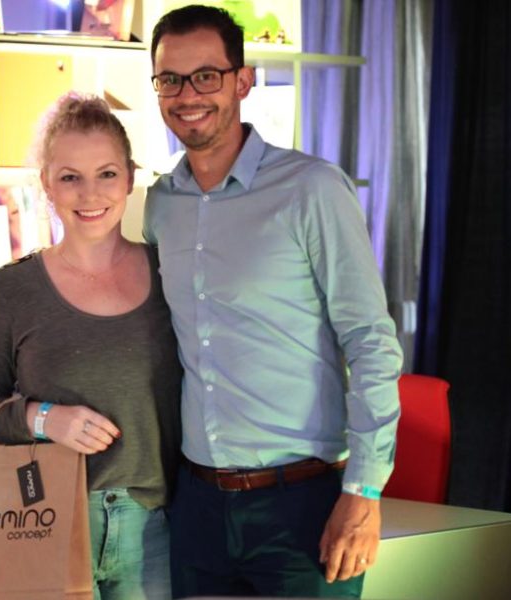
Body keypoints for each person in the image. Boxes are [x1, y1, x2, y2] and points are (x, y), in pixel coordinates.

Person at [143, 5, 403, 598]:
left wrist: (363, 493)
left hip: (304, 505)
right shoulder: (160, 204)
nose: (187, 95)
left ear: (243, 80)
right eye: (170, 80)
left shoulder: (311, 188)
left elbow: (370, 341)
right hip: (196, 507)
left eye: (206, 76)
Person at [0, 92, 182, 600]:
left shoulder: (173, 274)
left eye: (106, 174)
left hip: (155, 528)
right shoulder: (12, 290)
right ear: (46, 184)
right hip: (44, 517)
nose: (90, 193)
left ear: (130, 178)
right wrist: (44, 418)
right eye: (70, 177)